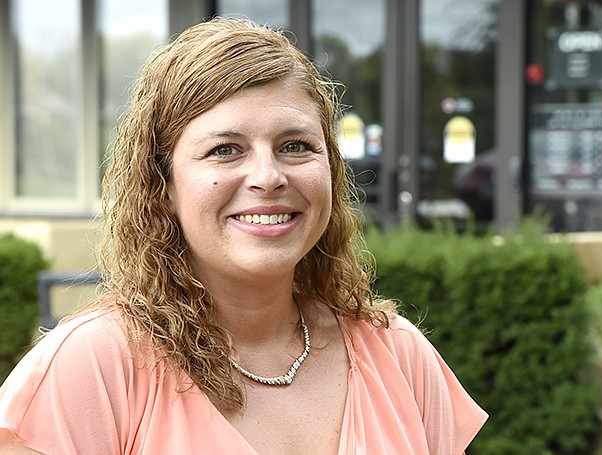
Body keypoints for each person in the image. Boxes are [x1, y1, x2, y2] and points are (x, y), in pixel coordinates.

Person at [0, 17, 487, 454]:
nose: (268, 176)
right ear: (163, 185)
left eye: (295, 145)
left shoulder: (400, 357)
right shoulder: (92, 369)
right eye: (225, 150)